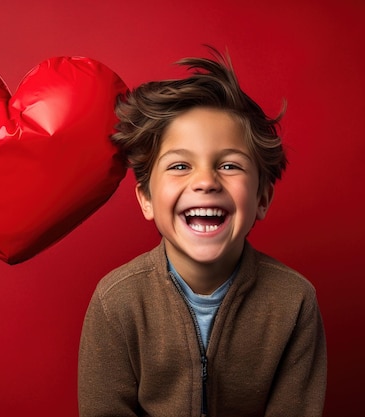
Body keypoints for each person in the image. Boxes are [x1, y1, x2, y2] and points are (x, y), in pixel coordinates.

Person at [77, 48, 327, 417]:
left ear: (261, 198)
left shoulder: (294, 302)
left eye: (228, 165)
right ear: (146, 198)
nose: (206, 181)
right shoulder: (116, 302)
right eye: (180, 165)